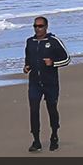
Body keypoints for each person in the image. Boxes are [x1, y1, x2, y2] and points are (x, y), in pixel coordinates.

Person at [23, 16, 71, 152]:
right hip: (34, 83)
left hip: (50, 83)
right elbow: (28, 59)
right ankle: (36, 140)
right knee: (33, 110)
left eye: (40, 26)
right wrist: (27, 67)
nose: (38, 29)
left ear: (46, 27)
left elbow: (67, 59)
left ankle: (54, 135)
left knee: (52, 109)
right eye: (35, 26)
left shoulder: (54, 41)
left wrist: (53, 63)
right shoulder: (30, 42)